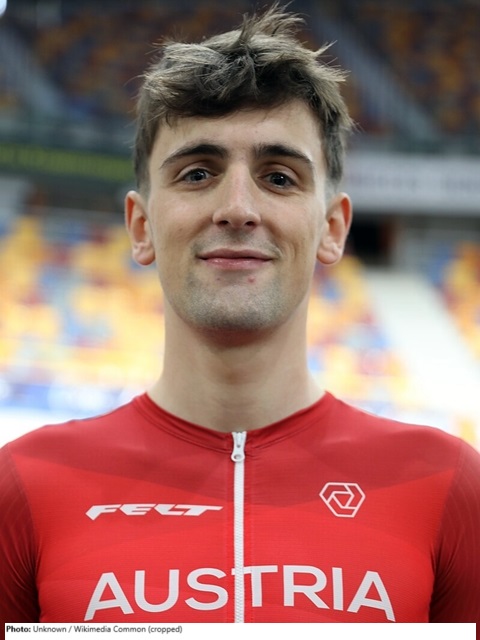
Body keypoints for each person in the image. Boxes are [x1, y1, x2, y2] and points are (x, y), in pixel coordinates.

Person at [1, 5, 479, 625]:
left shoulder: (449, 487)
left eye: (278, 178)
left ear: (332, 228)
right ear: (140, 227)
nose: (237, 208)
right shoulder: (24, 486)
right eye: (197, 173)